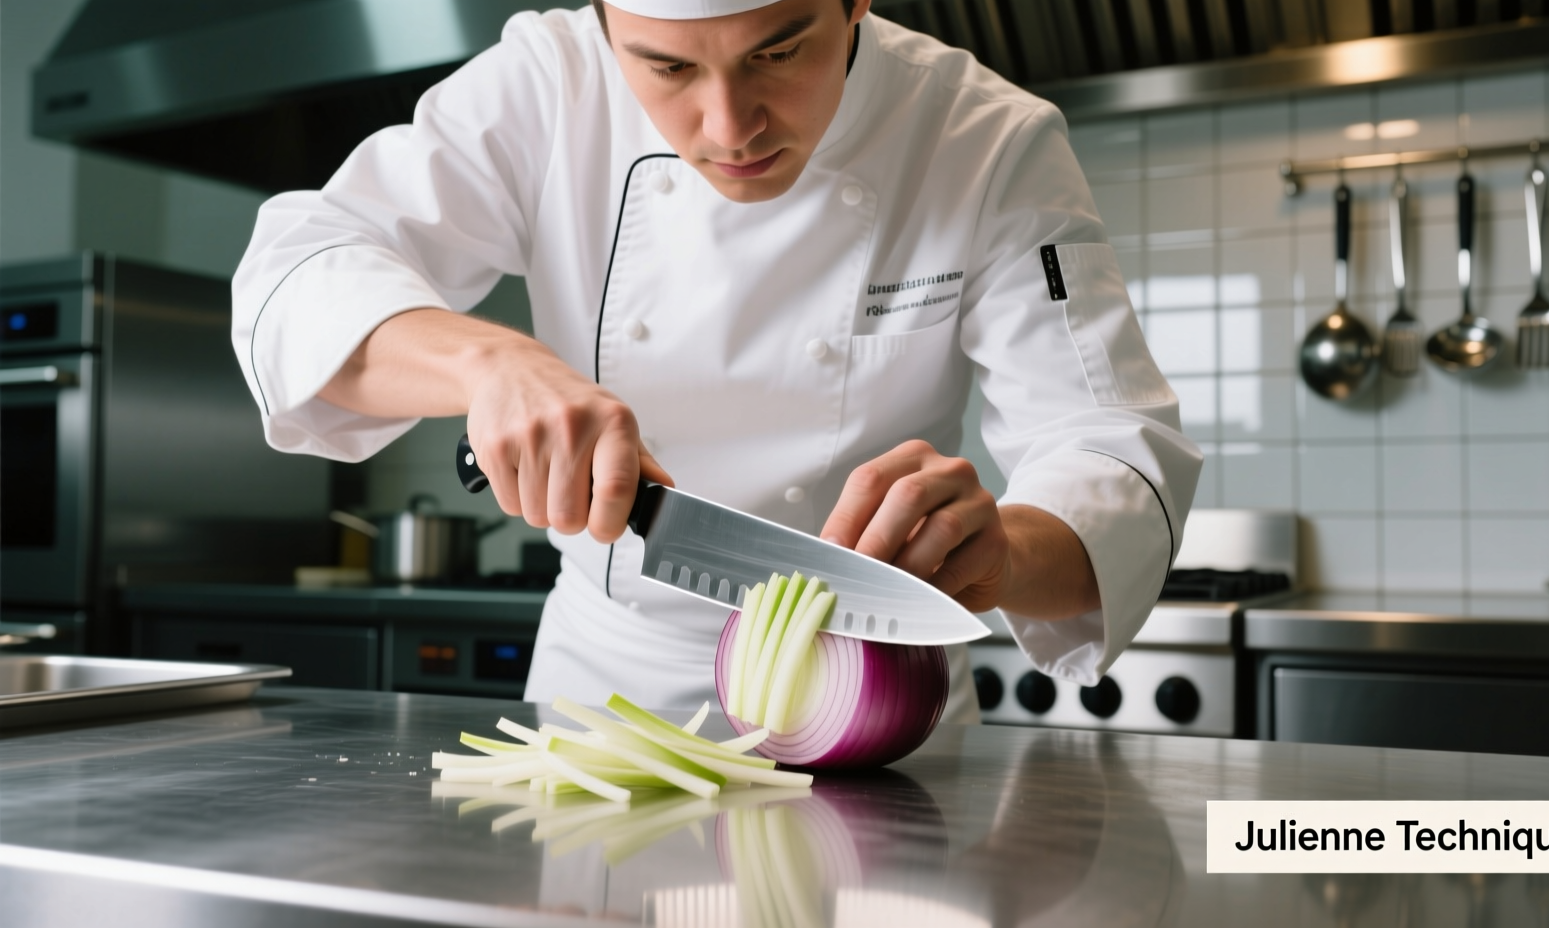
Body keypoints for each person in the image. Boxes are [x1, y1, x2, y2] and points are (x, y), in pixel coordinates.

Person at [231, 0, 1201, 722]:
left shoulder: (982, 141)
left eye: (778, 51)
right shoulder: (544, 83)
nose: (730, 127)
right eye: (663, 69)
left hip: (875, 706)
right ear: (609, 29)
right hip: (603, 713)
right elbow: (298, 276)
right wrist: (485, 362)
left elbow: (1111, 449)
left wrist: (997, 552)